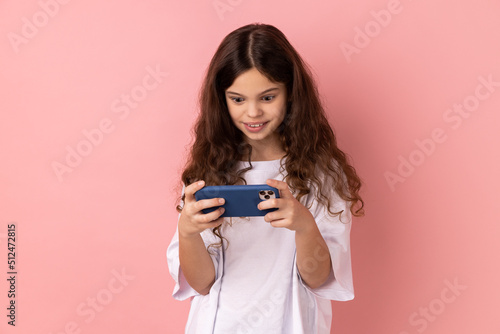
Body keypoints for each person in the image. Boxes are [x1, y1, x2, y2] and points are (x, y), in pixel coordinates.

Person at [166, 23, 364, 334]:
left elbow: (318, 278)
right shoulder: (207, 172)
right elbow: (201, 283)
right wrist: (188, 232)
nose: (253, 112)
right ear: (222, 100)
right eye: (238, 99)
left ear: (290, 95)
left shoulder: (321, 174)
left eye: (268, 97)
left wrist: (303, 224)